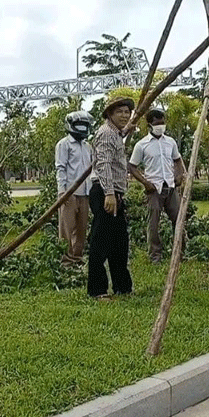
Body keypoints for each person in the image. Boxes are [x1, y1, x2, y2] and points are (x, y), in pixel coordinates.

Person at [87, 97, 136, 300]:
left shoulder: (115, 133)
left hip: (115, 193)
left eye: (127, 112)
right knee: (101, 242)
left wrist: (127, 130)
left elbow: (117, 141)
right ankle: (97, 290)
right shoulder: (106, 133)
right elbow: (104, 164)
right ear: (109, 114)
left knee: (119, 242)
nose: (125, 115)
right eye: (120, 112)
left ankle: (122, 287)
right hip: (106, 192)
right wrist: (108, 193)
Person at [128, 108, 187, 263]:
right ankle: (155, 256)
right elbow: (132, 167)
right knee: (153, 224)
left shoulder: (170, 142)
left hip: (170, 187)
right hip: (154, 189)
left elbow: (177, 160)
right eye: (157, 124)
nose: (160, 126)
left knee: (178, 220)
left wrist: (179, 175)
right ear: (150, 125)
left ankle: (180, 253)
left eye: (162, 123)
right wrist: (145, 183)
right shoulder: (142, 145)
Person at [55, 110, 94, 266]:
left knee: (81, 228)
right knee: (67, 228)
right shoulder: (63, 144)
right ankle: (66, 260)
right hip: (69, 193)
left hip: (85, 193)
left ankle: (77, 258)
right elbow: (61, 168)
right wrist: (62, 192)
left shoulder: (87, 146)